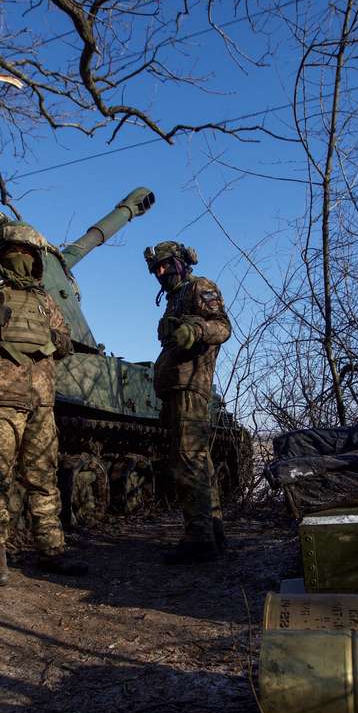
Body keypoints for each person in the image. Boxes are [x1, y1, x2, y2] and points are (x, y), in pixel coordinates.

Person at [0, 222, 87, 586]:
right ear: (1, 253)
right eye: (15, 252)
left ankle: (52, 551)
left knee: (44, 479)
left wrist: (53, 337)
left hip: (41, 403)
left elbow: (66, 344)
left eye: (28, 254)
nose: (22, 259)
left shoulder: (44, 301)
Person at [147, 240, 231, 563]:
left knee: (189, 461)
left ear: (180, 262)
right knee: (198, 461)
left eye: (165, 264)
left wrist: (196, 328)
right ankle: (213, 532)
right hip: (177, 387)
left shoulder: (200, 287)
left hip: (190, 386)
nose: (161, 271)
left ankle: (200, 539)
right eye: (156, 268)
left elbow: (222, 327)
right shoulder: (175, 298)